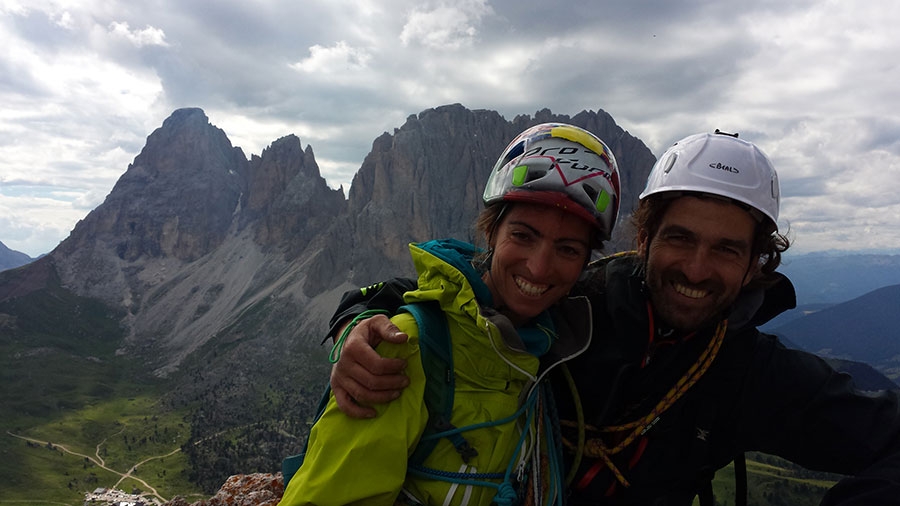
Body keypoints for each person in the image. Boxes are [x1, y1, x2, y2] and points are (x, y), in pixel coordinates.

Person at [325, 130, 900, 505]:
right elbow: (450, 294)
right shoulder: (575, 298)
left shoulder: (752, 371)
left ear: (757, 264)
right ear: (644, 238)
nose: (697, 270)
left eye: (727, 249)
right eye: (680, 239)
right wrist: (357, 320)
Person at [279, 123, 622, 506]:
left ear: (585, 265)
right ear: (491, 233)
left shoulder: (554, 345)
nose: (540, 269)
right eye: (523, 236)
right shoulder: (401, 349)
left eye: (568, 249)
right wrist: (354, 318)